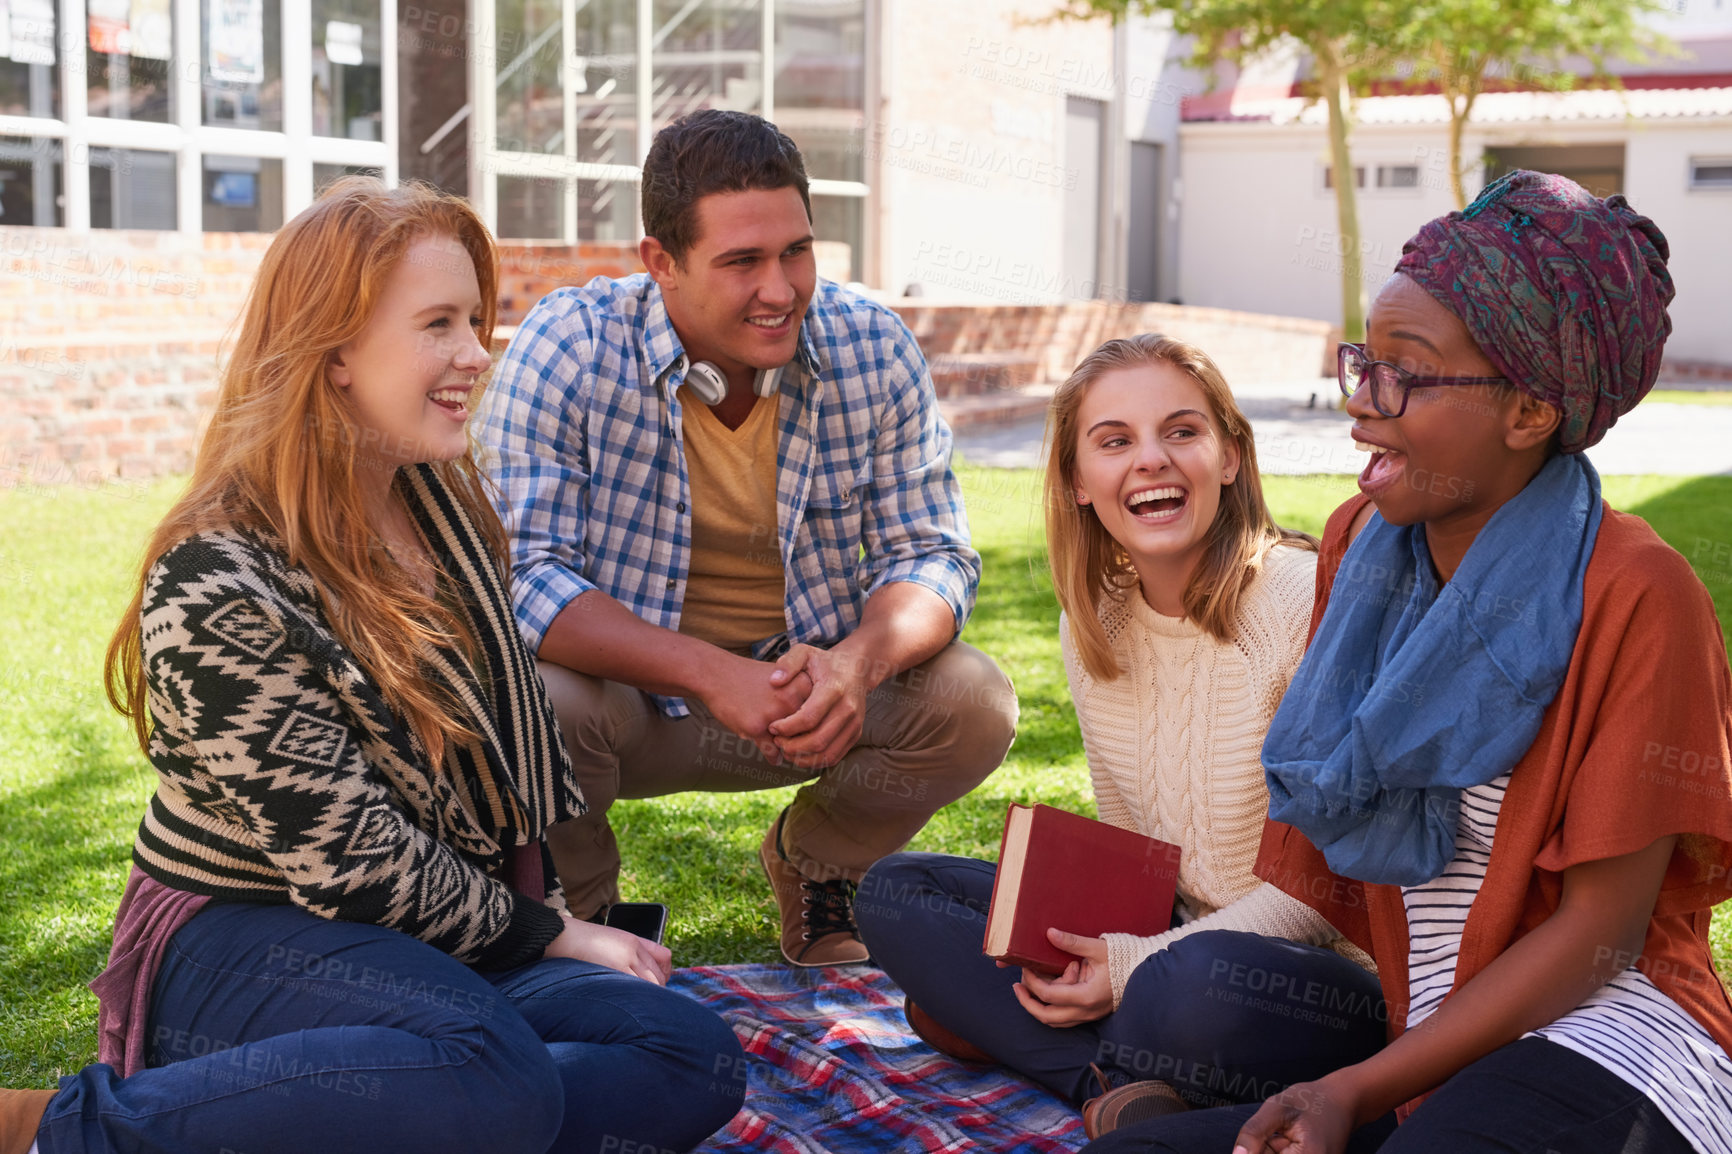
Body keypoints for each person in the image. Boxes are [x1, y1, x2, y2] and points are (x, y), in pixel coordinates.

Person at [0, 178, 743, 1154]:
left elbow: (494, 755)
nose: (477, 353)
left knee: (691, 1052)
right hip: (244, 931)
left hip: (421, 929)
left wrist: (544, 912)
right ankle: (52, 1127)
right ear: (333, 351)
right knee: (491, 1067)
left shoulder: (445, 506)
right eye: (437, 322)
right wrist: (551, 934)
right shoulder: (220, 577)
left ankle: (383, 1113)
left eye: (477, 320)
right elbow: (346, 856)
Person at [1086, 172, 1732, 1154]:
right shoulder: (1362, 544)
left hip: (1617, 1040)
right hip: (1427, 1040)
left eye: (1405, 373)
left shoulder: (1637, 590)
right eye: (1362, 362)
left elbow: (1597, 931)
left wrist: (1350, 1088)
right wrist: (1357, 1076)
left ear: (1526, 409)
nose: (1359, 403)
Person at [473, 110, 1018, 967]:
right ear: (661, 263)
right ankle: (586, 920)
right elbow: (520, 577)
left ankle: (820, 869)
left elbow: (933, 552)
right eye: (742, 262)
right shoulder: (569, 345)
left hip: (812, 695)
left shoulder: (871, 346)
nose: (781, 288)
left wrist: (856, 664)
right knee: (536, 693)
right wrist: (708, 672)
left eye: (795, 251)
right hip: (632, 707)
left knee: (974, 699)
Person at [854, 335, 1389, 1140]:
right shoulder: (1094, 617)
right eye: (1115, 441)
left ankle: (1051, 1043)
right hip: (1173, 935)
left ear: (1231, 456)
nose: (1152, 460)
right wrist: (1092, 945)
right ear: (1077, 480)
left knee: (1186, 991)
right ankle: (1115, 1083)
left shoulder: (1299, 606)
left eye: (1182, 431)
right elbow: (1140, 859)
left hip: (1312, 975)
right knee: (897, 891)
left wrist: (1129, 968)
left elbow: (1326, 898)